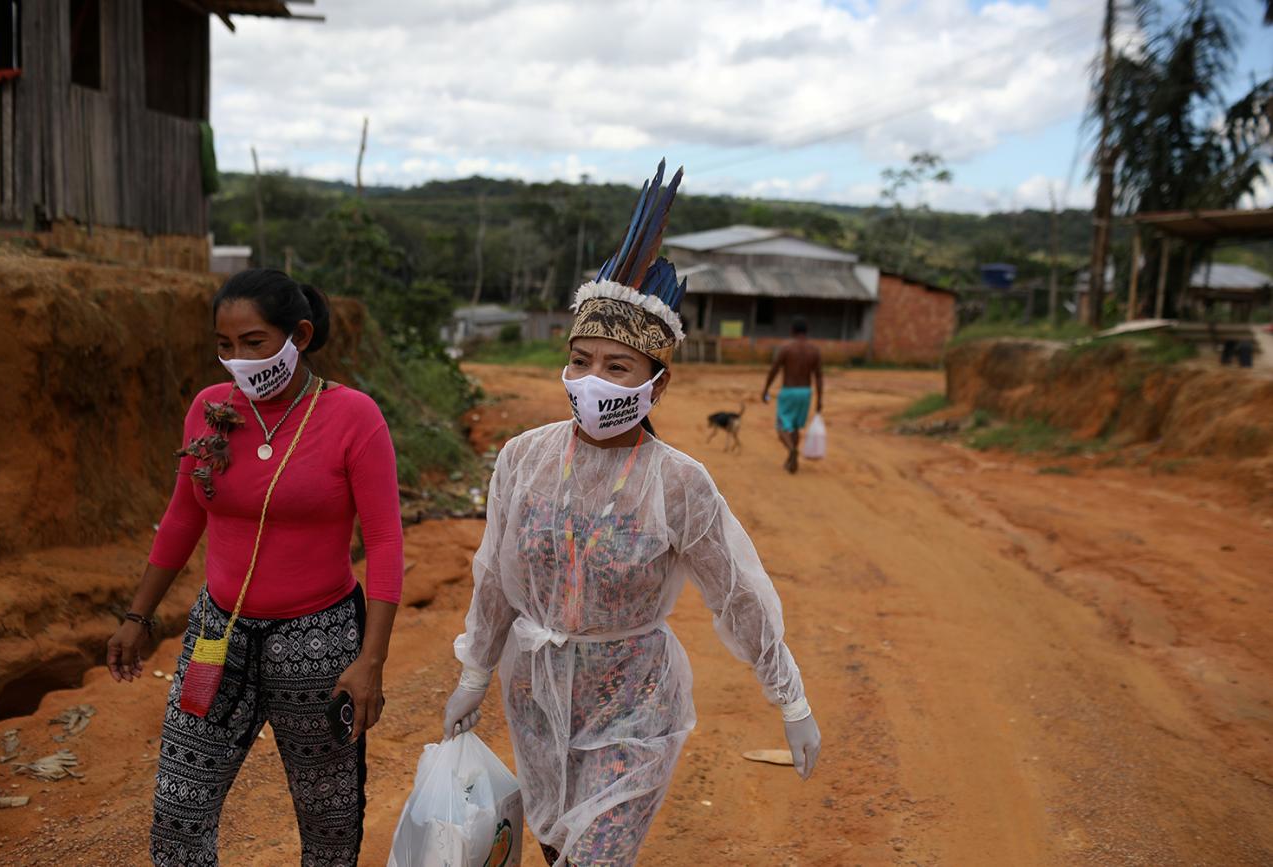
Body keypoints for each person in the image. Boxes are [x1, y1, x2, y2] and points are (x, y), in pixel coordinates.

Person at [440, 161, 821, 867]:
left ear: (657, 381)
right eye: (580, 360)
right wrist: (474, 670)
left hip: (634, 706)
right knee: (556, 848)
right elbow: (495, 574)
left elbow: (737, 593)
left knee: (596, 858)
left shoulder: (679, 483)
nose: (591, 381)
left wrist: (789, 699)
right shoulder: (523, 458)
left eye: (617, 367)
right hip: (538, 697)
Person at [105, 269, 405, 866]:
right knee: (178, 813)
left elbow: (386, 542)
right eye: (224, 345)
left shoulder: (352, 416)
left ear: (298, 334)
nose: (238, 359)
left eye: (254, 342)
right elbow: (183, 517)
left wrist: (370, 661)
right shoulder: (210, 410)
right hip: (217, 635)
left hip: (318, 641)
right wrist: (138, 615)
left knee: (329, 818)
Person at [761, 317, 823, 473]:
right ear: (806, 332)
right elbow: (819, 376)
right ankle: (791, 459)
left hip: (789, 391)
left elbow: (774, 369)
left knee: (782, 428)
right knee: (795, 427)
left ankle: (791, 450)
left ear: (792, 331)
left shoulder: (786, 348)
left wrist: (766, 389)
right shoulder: (814, 350)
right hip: (806, 393)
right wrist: (820, 399)